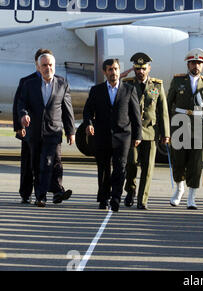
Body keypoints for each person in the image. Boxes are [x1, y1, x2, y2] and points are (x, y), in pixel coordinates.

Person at [83, 59, 142, 212]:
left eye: (115, 69)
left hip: (123, 136)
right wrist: (89, 123)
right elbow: (88, 110)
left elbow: (135, 115)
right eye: (110, 69)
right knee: (103, 168)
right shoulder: (96, 90)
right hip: (102, 136)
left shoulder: (129, 90)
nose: (113, 72)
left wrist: (138, 135)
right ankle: (104, 198)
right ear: (105, 72)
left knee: (120, 168)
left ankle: (116, 198)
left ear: (119, 70)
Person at [17, 53, 76, 207]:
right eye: (44, 65)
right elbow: (21, 103)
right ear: (38, 67)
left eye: (50, 65)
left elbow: (67, 109)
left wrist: (71, 131)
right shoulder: (29, 84)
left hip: (53, 131)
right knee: (36, 165)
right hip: (34, 132)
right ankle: (44, 194)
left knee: (49, 162)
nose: (48, 68)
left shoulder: (62, 84)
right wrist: (23, 116)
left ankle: (43, 196)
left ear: (54, 66)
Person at [167, 48, 203, 210]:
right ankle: (179, 189)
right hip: (179, 124)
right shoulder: (177, 81)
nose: (196, 66)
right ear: (188, 64)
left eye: (199, 63)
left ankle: (192, 197)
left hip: (198, 126)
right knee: (178, 159)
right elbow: (168, 104)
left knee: (195, 162)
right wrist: (166, 128)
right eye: (193, 63)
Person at [123, 53, 170, 210]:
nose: (140, 71)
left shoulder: (157, 86)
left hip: (150, 132)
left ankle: (142, 200)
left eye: (143, 68)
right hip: (131, 132)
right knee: (130, 164)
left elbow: (162, 110)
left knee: (148, 168)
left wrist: (166, 133)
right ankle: (130, 190)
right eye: (137, 68)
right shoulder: (127, 84)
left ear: (149, 68)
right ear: (134, 69)